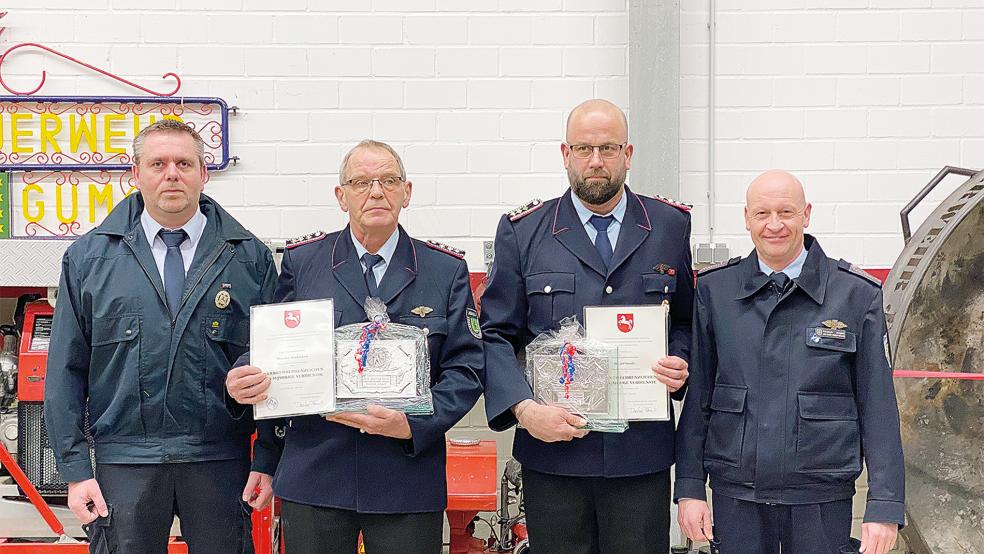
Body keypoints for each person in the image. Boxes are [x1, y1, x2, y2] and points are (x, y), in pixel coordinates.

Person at [225, 139, 484, 554]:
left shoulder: (444, 271)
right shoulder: (303, 262)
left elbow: (466, 370)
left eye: (388, 180)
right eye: (361, 182)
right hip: (317, 476)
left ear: (407, 191)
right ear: (341, 196)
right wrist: (244, 377)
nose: (376, 192)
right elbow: (274, 348)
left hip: (407, 478)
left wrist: (414, 424)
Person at [44, 119, 279, 553]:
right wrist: (76, 470)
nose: (172, 173)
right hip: (125, 462)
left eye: (184, 163)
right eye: (158, 163)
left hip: (217, 460)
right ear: (135, 174)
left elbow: (273, 365)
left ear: (203, 174)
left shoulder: (248, 258)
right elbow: (64, 372)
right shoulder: (89, 259)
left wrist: (266, 458)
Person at [480, 99, 695, 554]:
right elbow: (497, 333)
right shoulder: (524, 232)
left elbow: (687, 322)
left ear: (628, 153)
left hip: (640, 456)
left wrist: (682, 362)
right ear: (565, 153)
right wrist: (523, 409)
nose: (596, 161)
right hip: (554, 455)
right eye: (584, 149)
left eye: (608, 148)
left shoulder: (670, 226)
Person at [675, 170, 905, 554]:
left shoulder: (854, 294)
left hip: (819, 495)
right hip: (737, 494)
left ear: (806, 214)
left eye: (786, 211)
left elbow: (878, 406)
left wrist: (884, 505)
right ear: (746, 218)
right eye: (762, 214)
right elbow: (698, 398)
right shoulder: (715, 292)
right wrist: (689, 487)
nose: (775, 224)